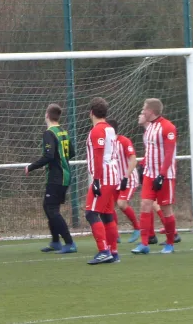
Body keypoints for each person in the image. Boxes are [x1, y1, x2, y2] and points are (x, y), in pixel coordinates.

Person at [25, 104, 77, 254]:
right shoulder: (63, 132)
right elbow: (71, 152)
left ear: (47, 115)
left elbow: (48, 155)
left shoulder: (49, 133)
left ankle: (69, 243)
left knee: (52, 209)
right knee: (48, 206)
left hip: (57, 177)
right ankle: (55, 241)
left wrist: (31, 166)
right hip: (65, 175)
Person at [132, 99, 179, 254]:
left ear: (151, 111)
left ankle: (170, 243)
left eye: (144, 108)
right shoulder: (149, 128)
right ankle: (144, 243)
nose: (142, 110)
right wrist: (142, 166)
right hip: (149, 175)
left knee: (166, 209)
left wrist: (162, 175)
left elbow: (169, 153)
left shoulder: (168, 127)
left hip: (164, 176)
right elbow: (150, 151)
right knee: (145, 205)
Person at [85, 97, 120, 265]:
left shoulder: (97, 130)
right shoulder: (110, 129)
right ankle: (113, 252)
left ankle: (103, 250)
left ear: (91, 113)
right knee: (106, 215)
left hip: (104, 176)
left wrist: (96, 180)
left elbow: (98, 156)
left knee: (91, 213)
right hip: (112, 175)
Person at [106, 119, 141, 244]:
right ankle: (114, 234)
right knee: (109, 207)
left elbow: (133, 160)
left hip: (129, 179)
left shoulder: (124, 141)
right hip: (115, 180)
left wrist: (125, 177)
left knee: (121, 203)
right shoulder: (106, 144)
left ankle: (137, 228)